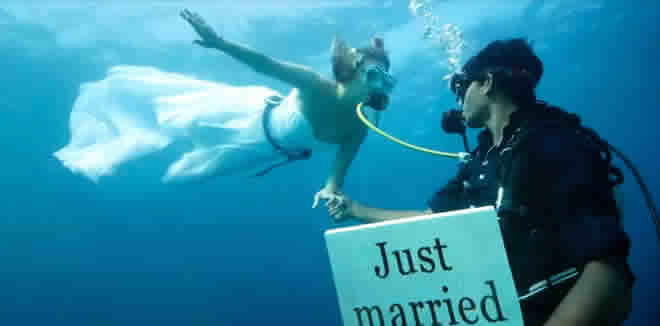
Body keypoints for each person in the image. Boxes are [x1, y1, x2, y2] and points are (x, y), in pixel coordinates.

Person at [326, 38, 634, 326]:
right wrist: (356, 209)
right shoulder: (481, 159)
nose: (458, 100)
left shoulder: (552, 143)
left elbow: (607, 272)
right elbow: (434, 221)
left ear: (486, 83)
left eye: (461, 87)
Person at [53, 9, 396, 206]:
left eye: (386, 81)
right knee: (169, 111)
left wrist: (329, 190)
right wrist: (219, 43)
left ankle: (120, 190)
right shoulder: (315, 85)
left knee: (178, 177)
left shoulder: (359, 127)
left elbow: (337, 174)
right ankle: (106, 138)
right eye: (375, 75)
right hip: (244, 112)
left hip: (263, 151)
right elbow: (263, 63)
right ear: (353, 71)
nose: (380, 87)